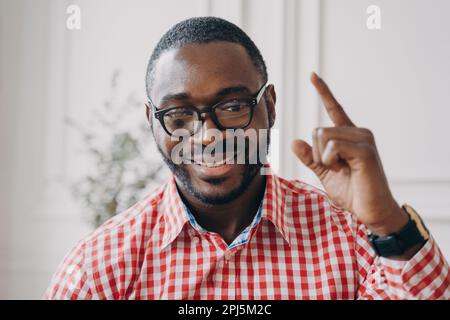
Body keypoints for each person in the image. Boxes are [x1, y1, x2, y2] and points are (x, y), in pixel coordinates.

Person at [45, 16, 449, 299]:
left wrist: (387, 222)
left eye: (233, 106)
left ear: (269, 105)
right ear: (152, 121)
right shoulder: (97, 268)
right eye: (179, 114)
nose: (209, 135)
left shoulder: (356, 239)